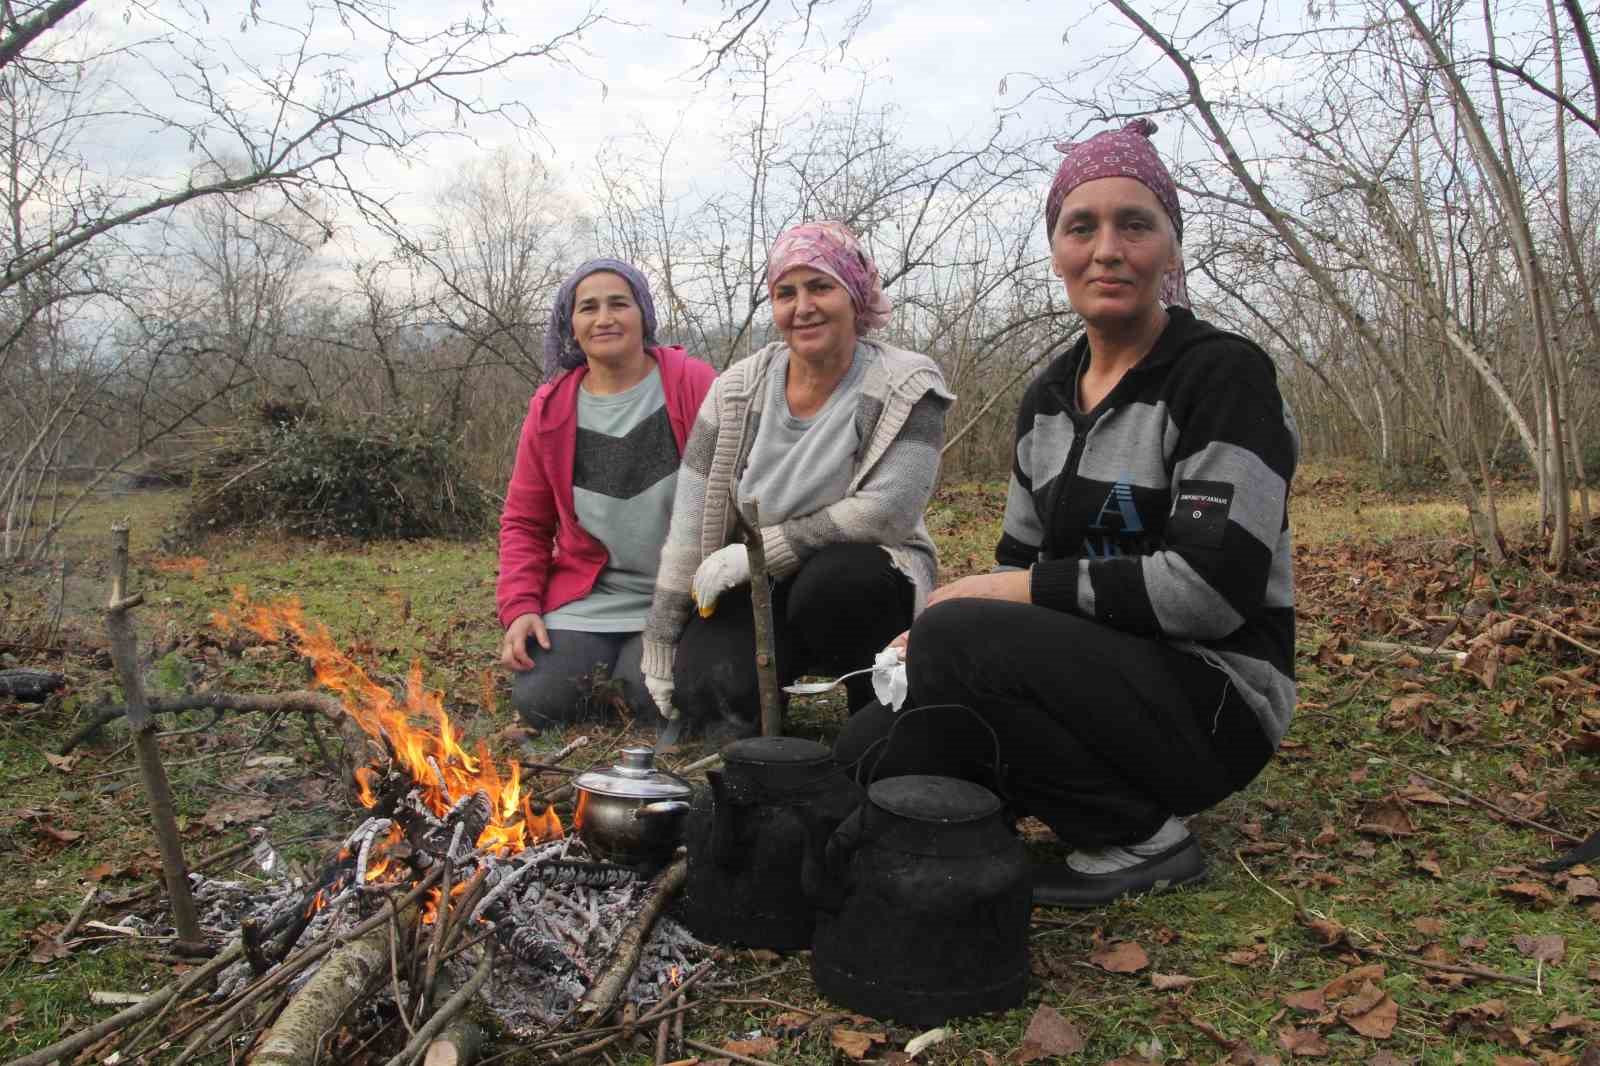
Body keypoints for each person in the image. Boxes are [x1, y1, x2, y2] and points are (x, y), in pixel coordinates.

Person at [836, 119, 1298, 908]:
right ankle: (995, 802)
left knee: (962, 631)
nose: (1107, 249)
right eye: (1081, 227)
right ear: (1056, 250)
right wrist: (955, 630)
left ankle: (1139, 837)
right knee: (861, 759)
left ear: (1172, 248)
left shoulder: (1223, 377)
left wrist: (993, 601)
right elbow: (1019, 567)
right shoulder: (1048, 397)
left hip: (1217, 703)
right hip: (1089, 677)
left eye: (1136, 224)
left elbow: (1209, 593)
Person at [641, 221, 953, 740]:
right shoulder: (736, 390)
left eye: (820, 287)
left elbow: (886, 512)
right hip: (756, 582)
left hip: (862, 576)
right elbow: (691, 525)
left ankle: (877, 707)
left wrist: (764, 549)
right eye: (786, 293)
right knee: (710, 696)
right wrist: (661, 639)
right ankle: (765, 700)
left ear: (855, 295)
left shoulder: (908, 385)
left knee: (836, 585)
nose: (802, 306)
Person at [497, 259, 716, 731]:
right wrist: (521, 608)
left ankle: (640, 672)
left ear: (644, 315)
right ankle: (616, 668)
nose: (604, 318)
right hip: (591, 596)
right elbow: (525, 522)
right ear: (570, 325)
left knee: (649, 699)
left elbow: (737, 491)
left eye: (619, 303)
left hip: (683, 597)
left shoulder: (692, 385)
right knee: (540, 699)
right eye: (588, 308)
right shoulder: (551, 407)